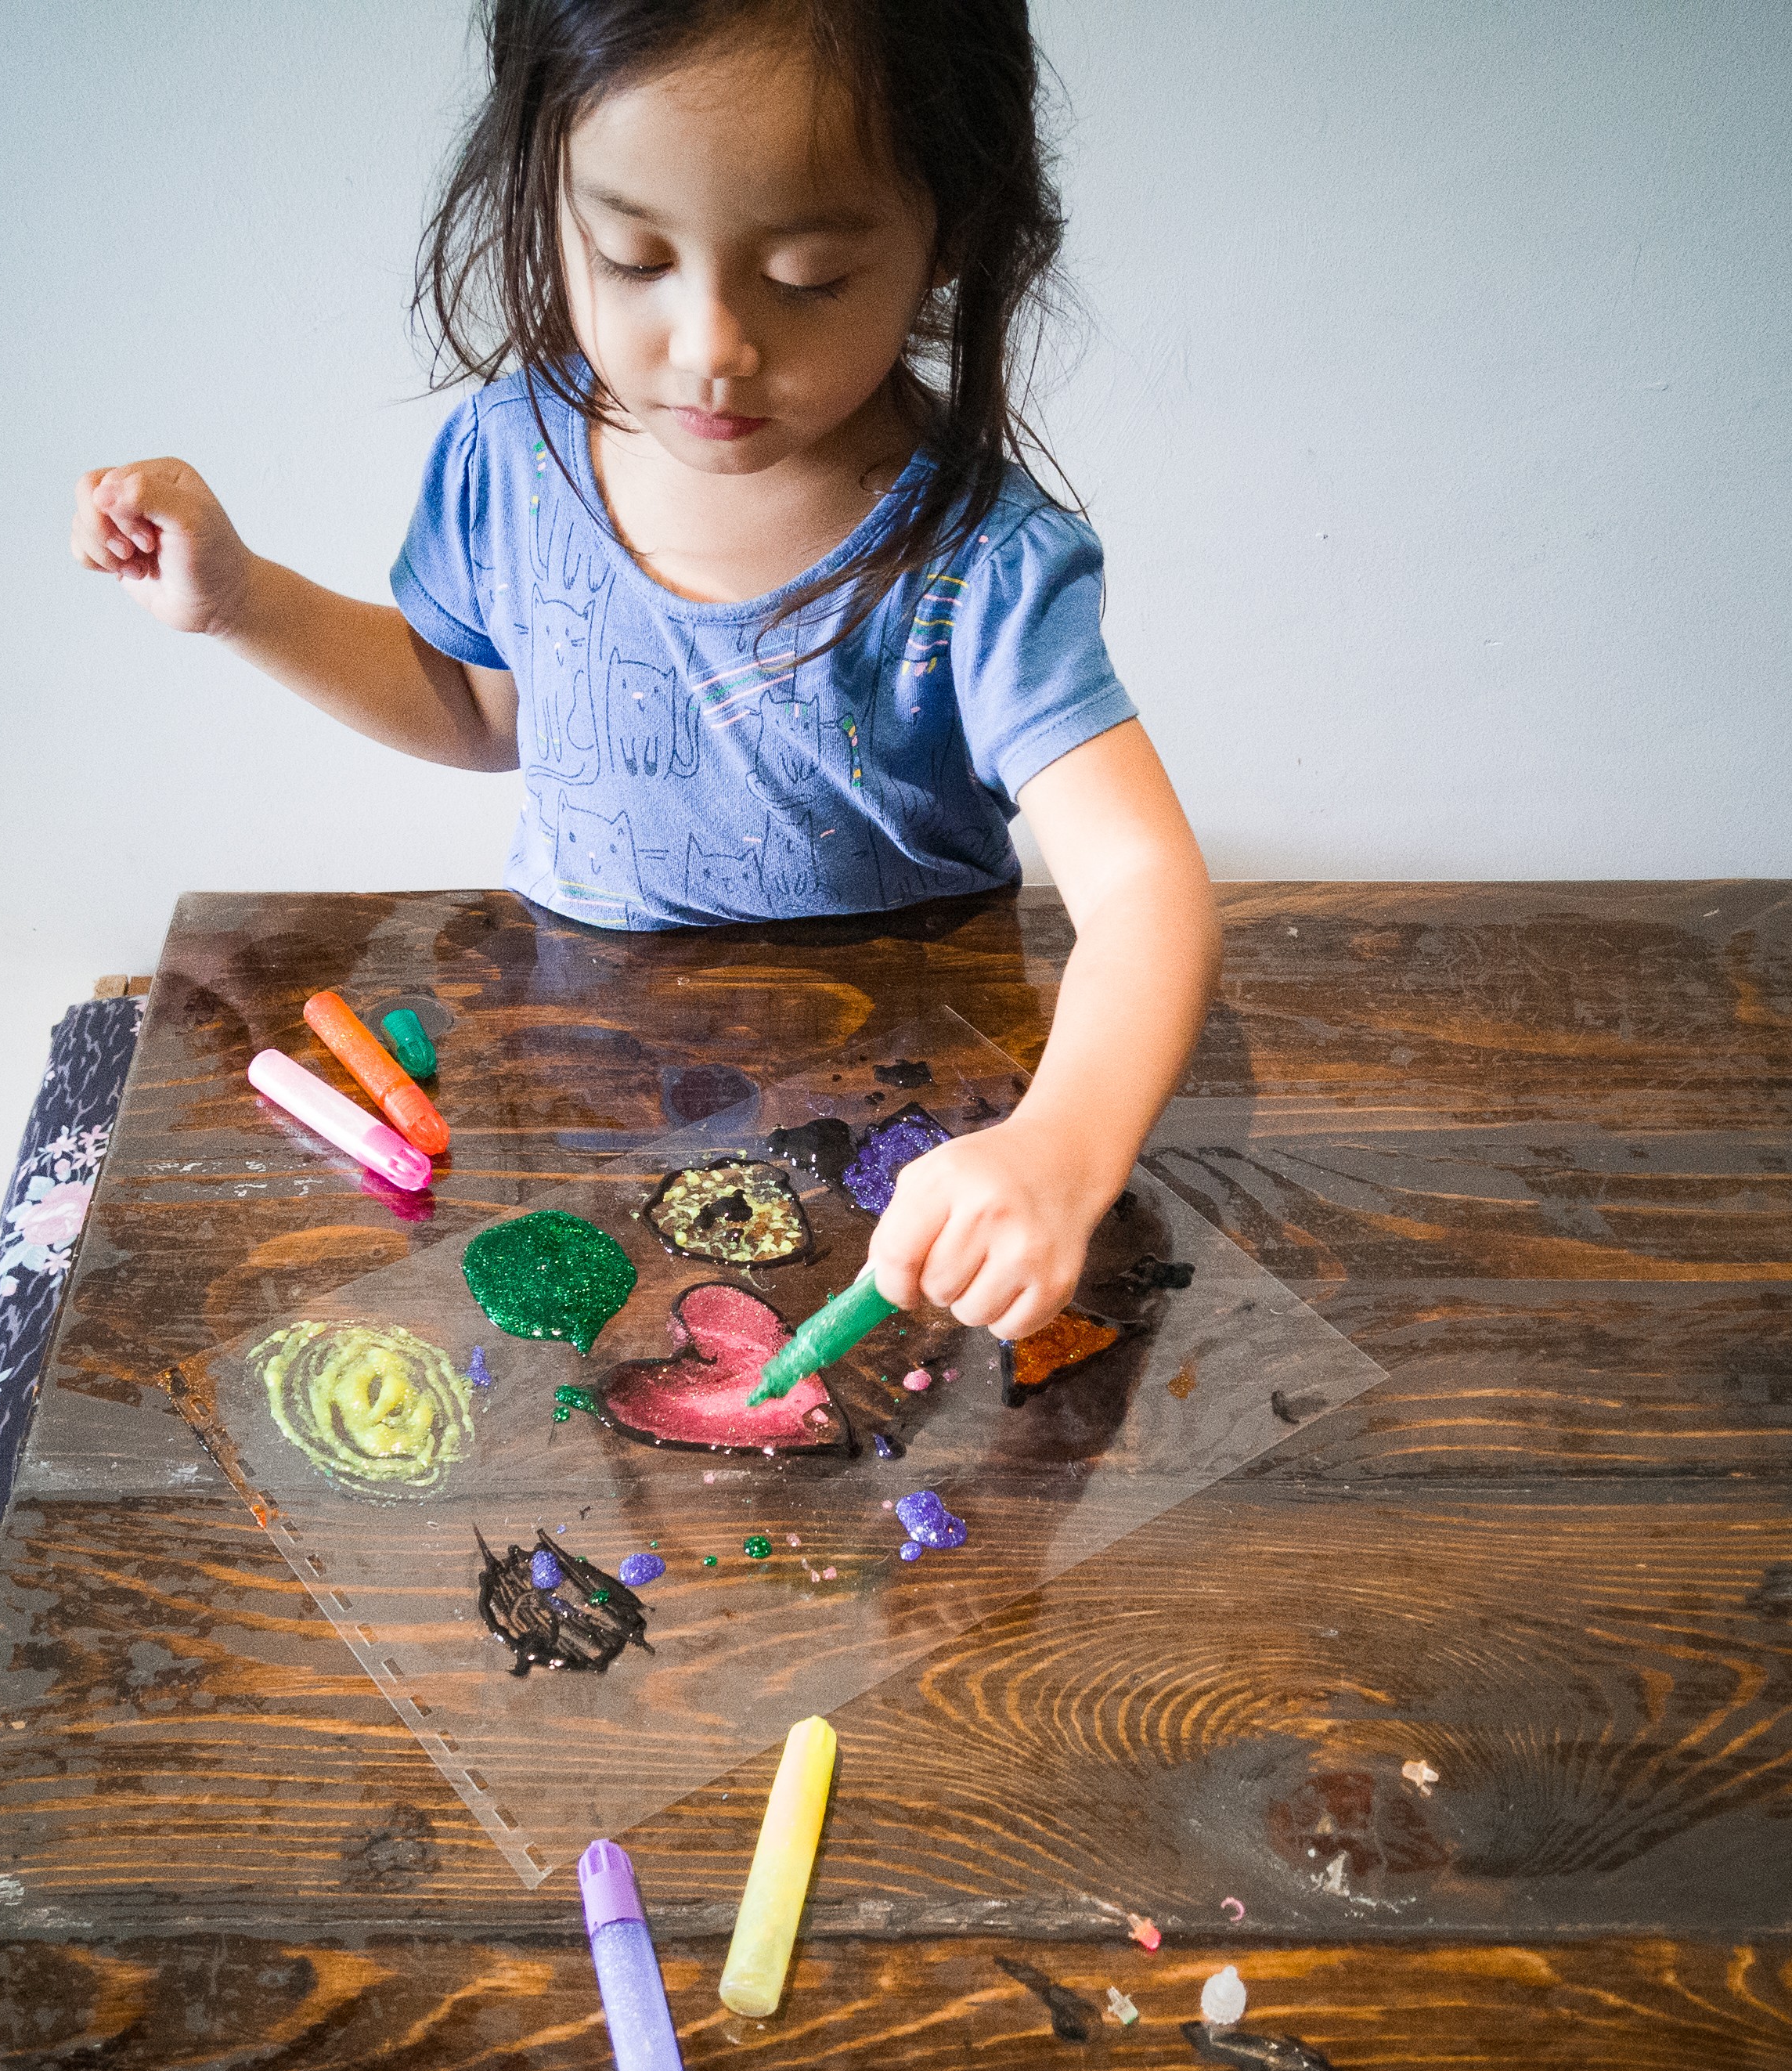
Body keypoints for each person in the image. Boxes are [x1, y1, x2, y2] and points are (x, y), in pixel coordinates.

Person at [70, 0, 1217, 1347]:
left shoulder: (987, 559)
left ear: (949, 235)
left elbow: (1145, 890)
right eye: (629, 257)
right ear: (546, 201)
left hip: (911, 1123)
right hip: (585, 1090)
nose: (713, 343)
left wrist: (1062, 1150)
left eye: (807, 278)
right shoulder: (514, 458)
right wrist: (244, 604)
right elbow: (484, 707)